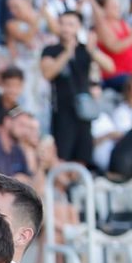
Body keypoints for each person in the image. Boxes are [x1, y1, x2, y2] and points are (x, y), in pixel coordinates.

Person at [41, 10, 109, 168]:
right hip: (62, 110)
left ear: (79, 27)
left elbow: (109, 66)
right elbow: (48, 73)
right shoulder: (51, 50)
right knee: (62, 154)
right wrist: (67, 53)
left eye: (70, 24)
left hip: (84, 111)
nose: (66, 28)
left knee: (83, 155)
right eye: (62, 23)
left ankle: (79, 186)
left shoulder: (86, 49)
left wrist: (93, 51)